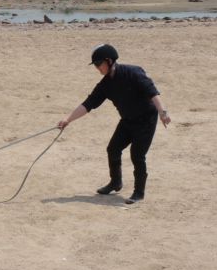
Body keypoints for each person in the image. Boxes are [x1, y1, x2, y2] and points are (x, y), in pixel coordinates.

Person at [57, 44, 171, 204]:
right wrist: (67, 119)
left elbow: (152, 92)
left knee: (137, 155)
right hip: (127, 120)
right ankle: (115, 182)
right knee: (113, 149)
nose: (97, 68)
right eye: (95, 65)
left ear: (109, 61)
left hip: (146, 120)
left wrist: (162, 112)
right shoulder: (105, 84)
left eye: (98, 64)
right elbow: (88, 104)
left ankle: (139, 192)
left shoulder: (133, 72)